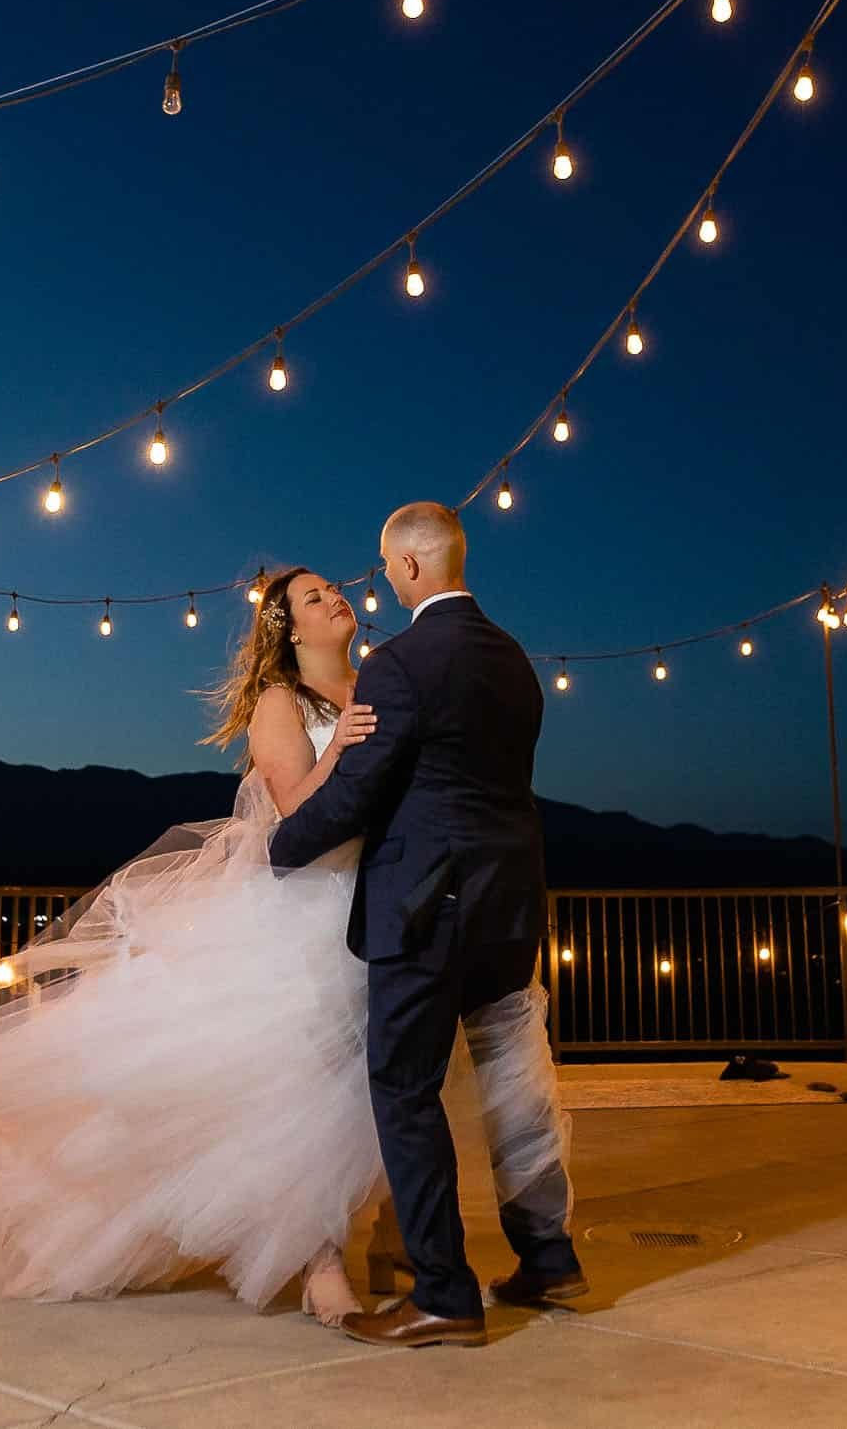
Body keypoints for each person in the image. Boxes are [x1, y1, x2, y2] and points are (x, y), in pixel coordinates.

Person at [0, 567, 566, 1328]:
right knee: (309, 1089)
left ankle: (403, 1245)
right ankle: (321, 1267)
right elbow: (296, 812)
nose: (337, 600)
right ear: (289, 630)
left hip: (388, 901)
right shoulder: (280, 704)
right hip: (307, 910)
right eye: (316, 598)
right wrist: (343, 750)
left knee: (388, 1084)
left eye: (334, 591)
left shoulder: (383, 680)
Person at [270, 502, 584, 1349]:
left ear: (409, 568)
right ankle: (548, 1255)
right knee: (512, 1081)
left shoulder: (401, 663)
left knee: (403, 1088)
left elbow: (357, 790)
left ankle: (443, 1292)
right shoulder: (515, 661)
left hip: (426, 905)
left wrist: (282, 844)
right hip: (510, 902)